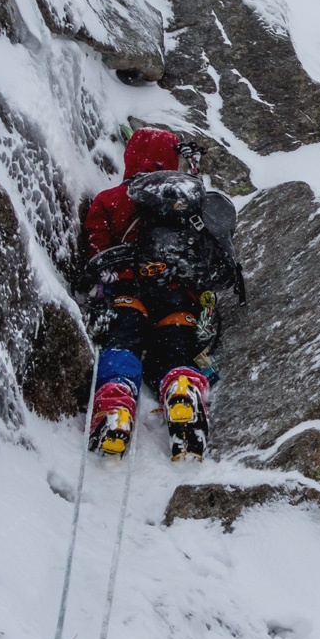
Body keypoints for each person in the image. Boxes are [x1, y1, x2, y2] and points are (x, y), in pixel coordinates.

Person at [81, 126, 242, 461]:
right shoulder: (188, 205)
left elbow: (97, 251)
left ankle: (116, 405)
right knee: (176, 353)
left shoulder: (109, 200)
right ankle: (183, 388)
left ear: (131, 157)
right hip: (179, 298)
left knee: (122, 345)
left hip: (128, 294)